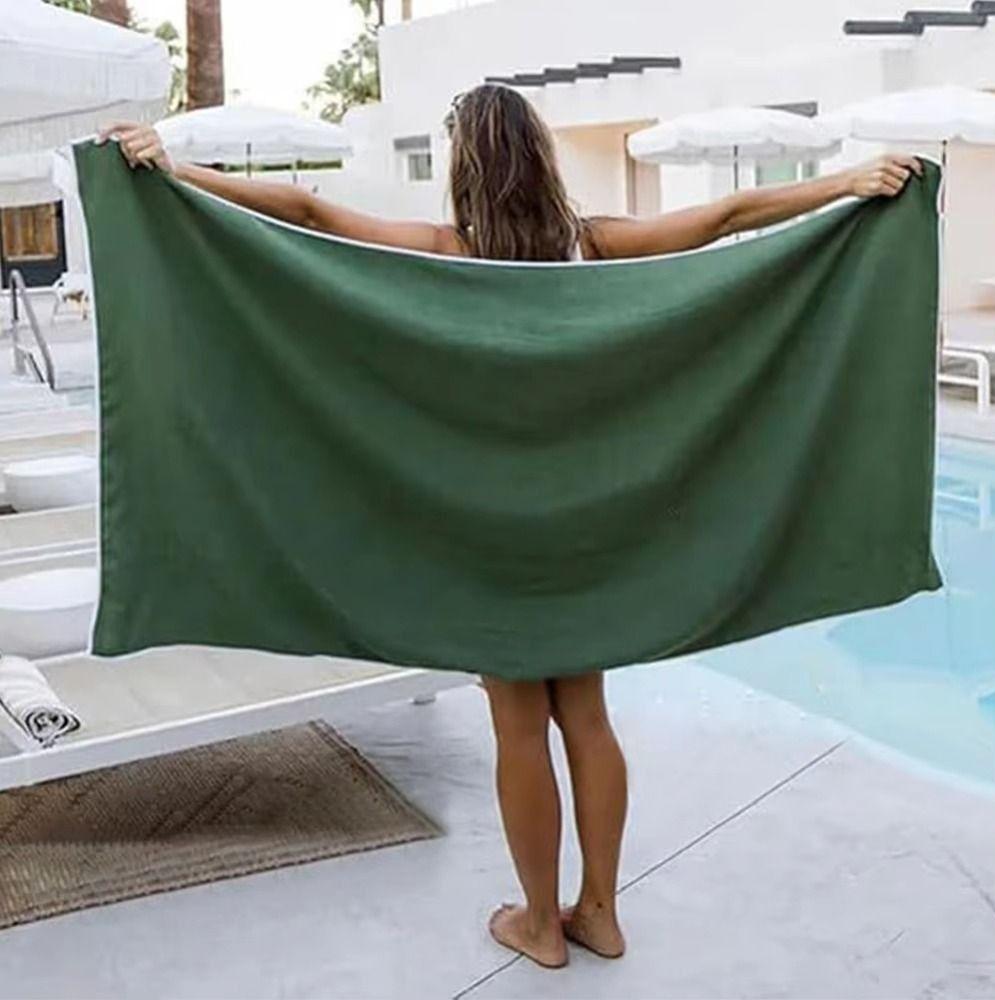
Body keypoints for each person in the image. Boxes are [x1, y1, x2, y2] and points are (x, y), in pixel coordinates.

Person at [100, 85, 921, 970]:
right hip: (587, 527)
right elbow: (724, 218)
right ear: (539, 159)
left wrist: (177, 171)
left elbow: (305, 212)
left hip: (487, 532)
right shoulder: (591, 246)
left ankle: (539, 923)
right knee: (588, 717)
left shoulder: (444, 253)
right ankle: (599, 912)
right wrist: (843, 183)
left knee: (520, 727)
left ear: (465, 168)